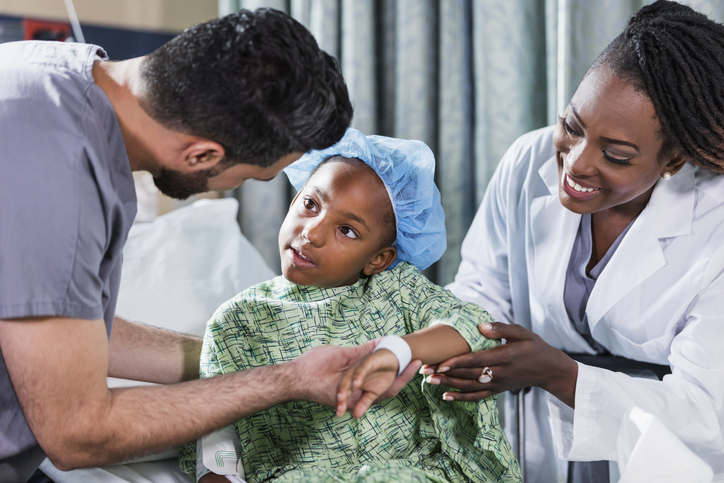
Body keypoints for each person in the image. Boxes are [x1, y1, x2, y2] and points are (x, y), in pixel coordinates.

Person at [0, 8, 399, 483]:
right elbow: (79, 434)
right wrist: (287, 382)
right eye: (254, 176)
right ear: (203, 155)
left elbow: (65, 328)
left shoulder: (45, 74)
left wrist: (244, 355)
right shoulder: (63, 187)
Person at [419, 1, 724, 481]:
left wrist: (559, 374)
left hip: (661, 459)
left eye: (617, 155)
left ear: (673, 161)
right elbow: (482, 292)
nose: (577, 164)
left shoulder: (716, 227)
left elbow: (706, 411)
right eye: (572, 126)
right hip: (534, 445)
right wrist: (425, 347)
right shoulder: (526, 161)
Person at [178, 129, 521, 483]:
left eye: (347, 230)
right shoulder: (236, 323)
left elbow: (473, 326)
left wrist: (397, 350)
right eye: (311, 204)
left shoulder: (399, 292)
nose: (312, 233)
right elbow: (216, 438)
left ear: (379, 259)